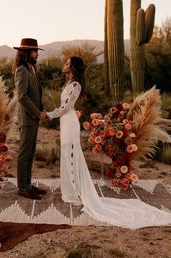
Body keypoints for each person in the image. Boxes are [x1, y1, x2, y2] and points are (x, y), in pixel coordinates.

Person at [46, 56, 171, 229]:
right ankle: (69, 191)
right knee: (67, 154)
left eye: (67, 63)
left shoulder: (75, 85)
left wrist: (48, 114)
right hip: (65, 123)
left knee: (71, 155)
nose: (64, 65)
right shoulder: (68, 84)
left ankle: (75, 193)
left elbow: (66, 107)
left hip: (69, 122)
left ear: (73, 68)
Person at [13, 38, 47, 200]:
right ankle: (22, 187)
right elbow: (22, 97)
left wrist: (41, 109)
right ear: (27, 53)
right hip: (27, 119)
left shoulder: (31, 69)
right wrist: (37, 113)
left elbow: (35, 94)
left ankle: (27, 184)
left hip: (33, 118)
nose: (37, 54)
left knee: (31, 152)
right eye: (35, 51)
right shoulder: (21, 70)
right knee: (25, 153)